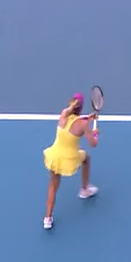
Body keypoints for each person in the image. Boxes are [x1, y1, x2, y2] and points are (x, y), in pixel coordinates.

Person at [41, 94, 99, 230]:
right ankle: (84, 189)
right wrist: (95, 133)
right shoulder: (83, 125)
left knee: (52, 186)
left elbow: (74, 121)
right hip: (69, 158)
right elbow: (93, 143)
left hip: (54, 156)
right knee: (86, 158)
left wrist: (88, 118)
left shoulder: (63, 114)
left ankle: (47, 218)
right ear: (81, 108)